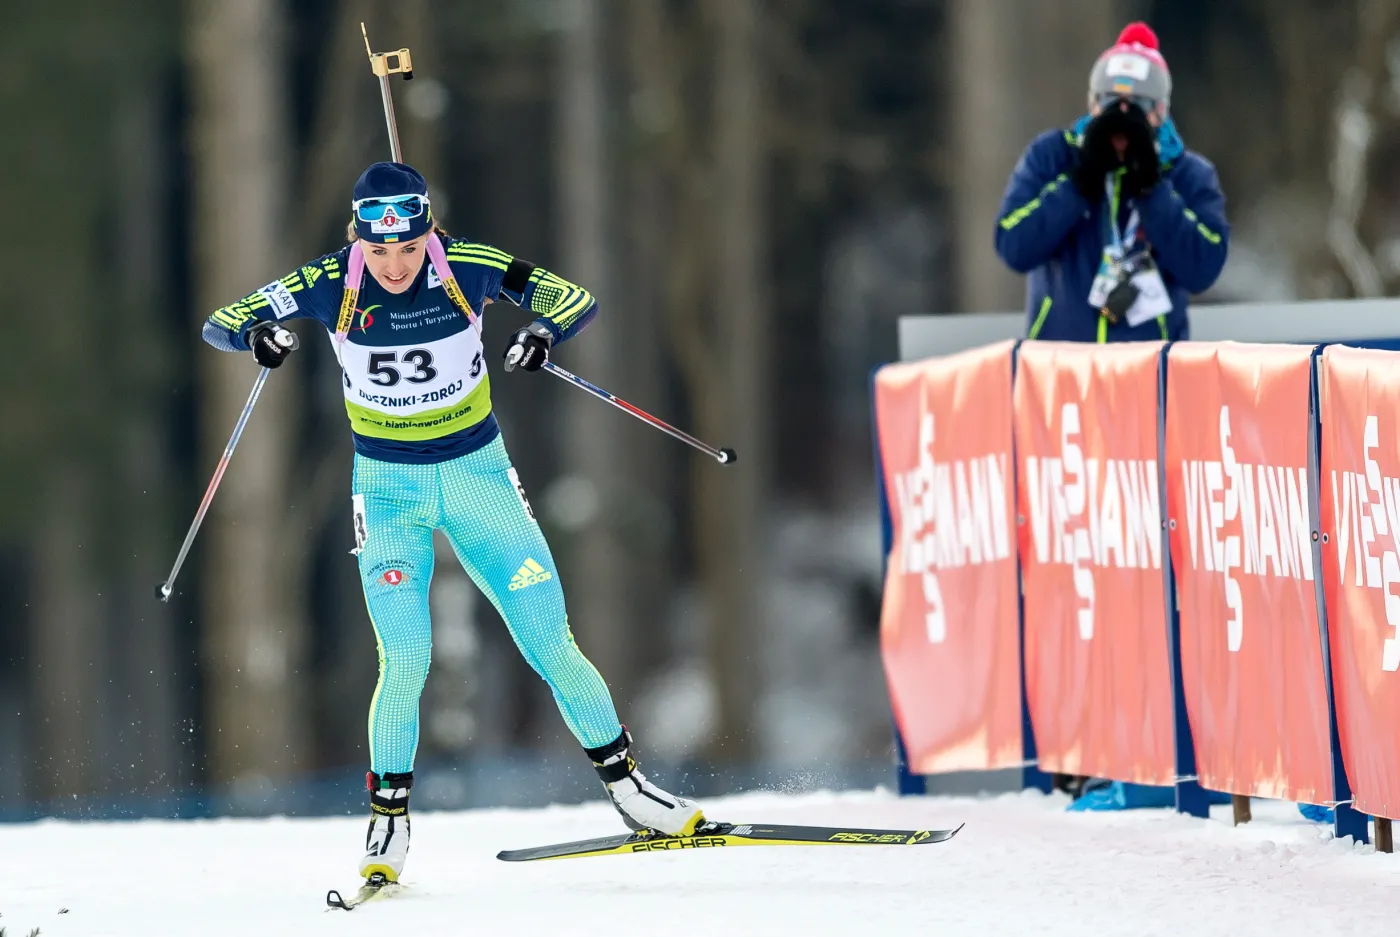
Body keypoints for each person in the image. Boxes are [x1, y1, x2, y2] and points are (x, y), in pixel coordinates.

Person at [202, 161, 703, 884]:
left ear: (427, 232)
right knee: (405, 657)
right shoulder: (328, 281)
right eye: (379, 252)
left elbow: (573, 298)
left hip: (479, 479)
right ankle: (387, 827)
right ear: (358, 240)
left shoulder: (466, 265)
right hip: (388, 491)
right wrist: (258, 339)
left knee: (550, 641)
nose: (396, 265)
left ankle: (632, 792)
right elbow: (222, 323)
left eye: (408, 248)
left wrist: (541, 331)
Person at [995, 22, 1229, 343]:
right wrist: (1077, 184)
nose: (1122, 119)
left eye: (1138, 107)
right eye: (1110, 104)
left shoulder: (1187, 173)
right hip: (1060, 365)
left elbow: (1204, 268)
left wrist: (1153, 189)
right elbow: (1013, 245)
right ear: (1092, 105)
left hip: (1150, 368)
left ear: (1161, 111)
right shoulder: (1053, 156)